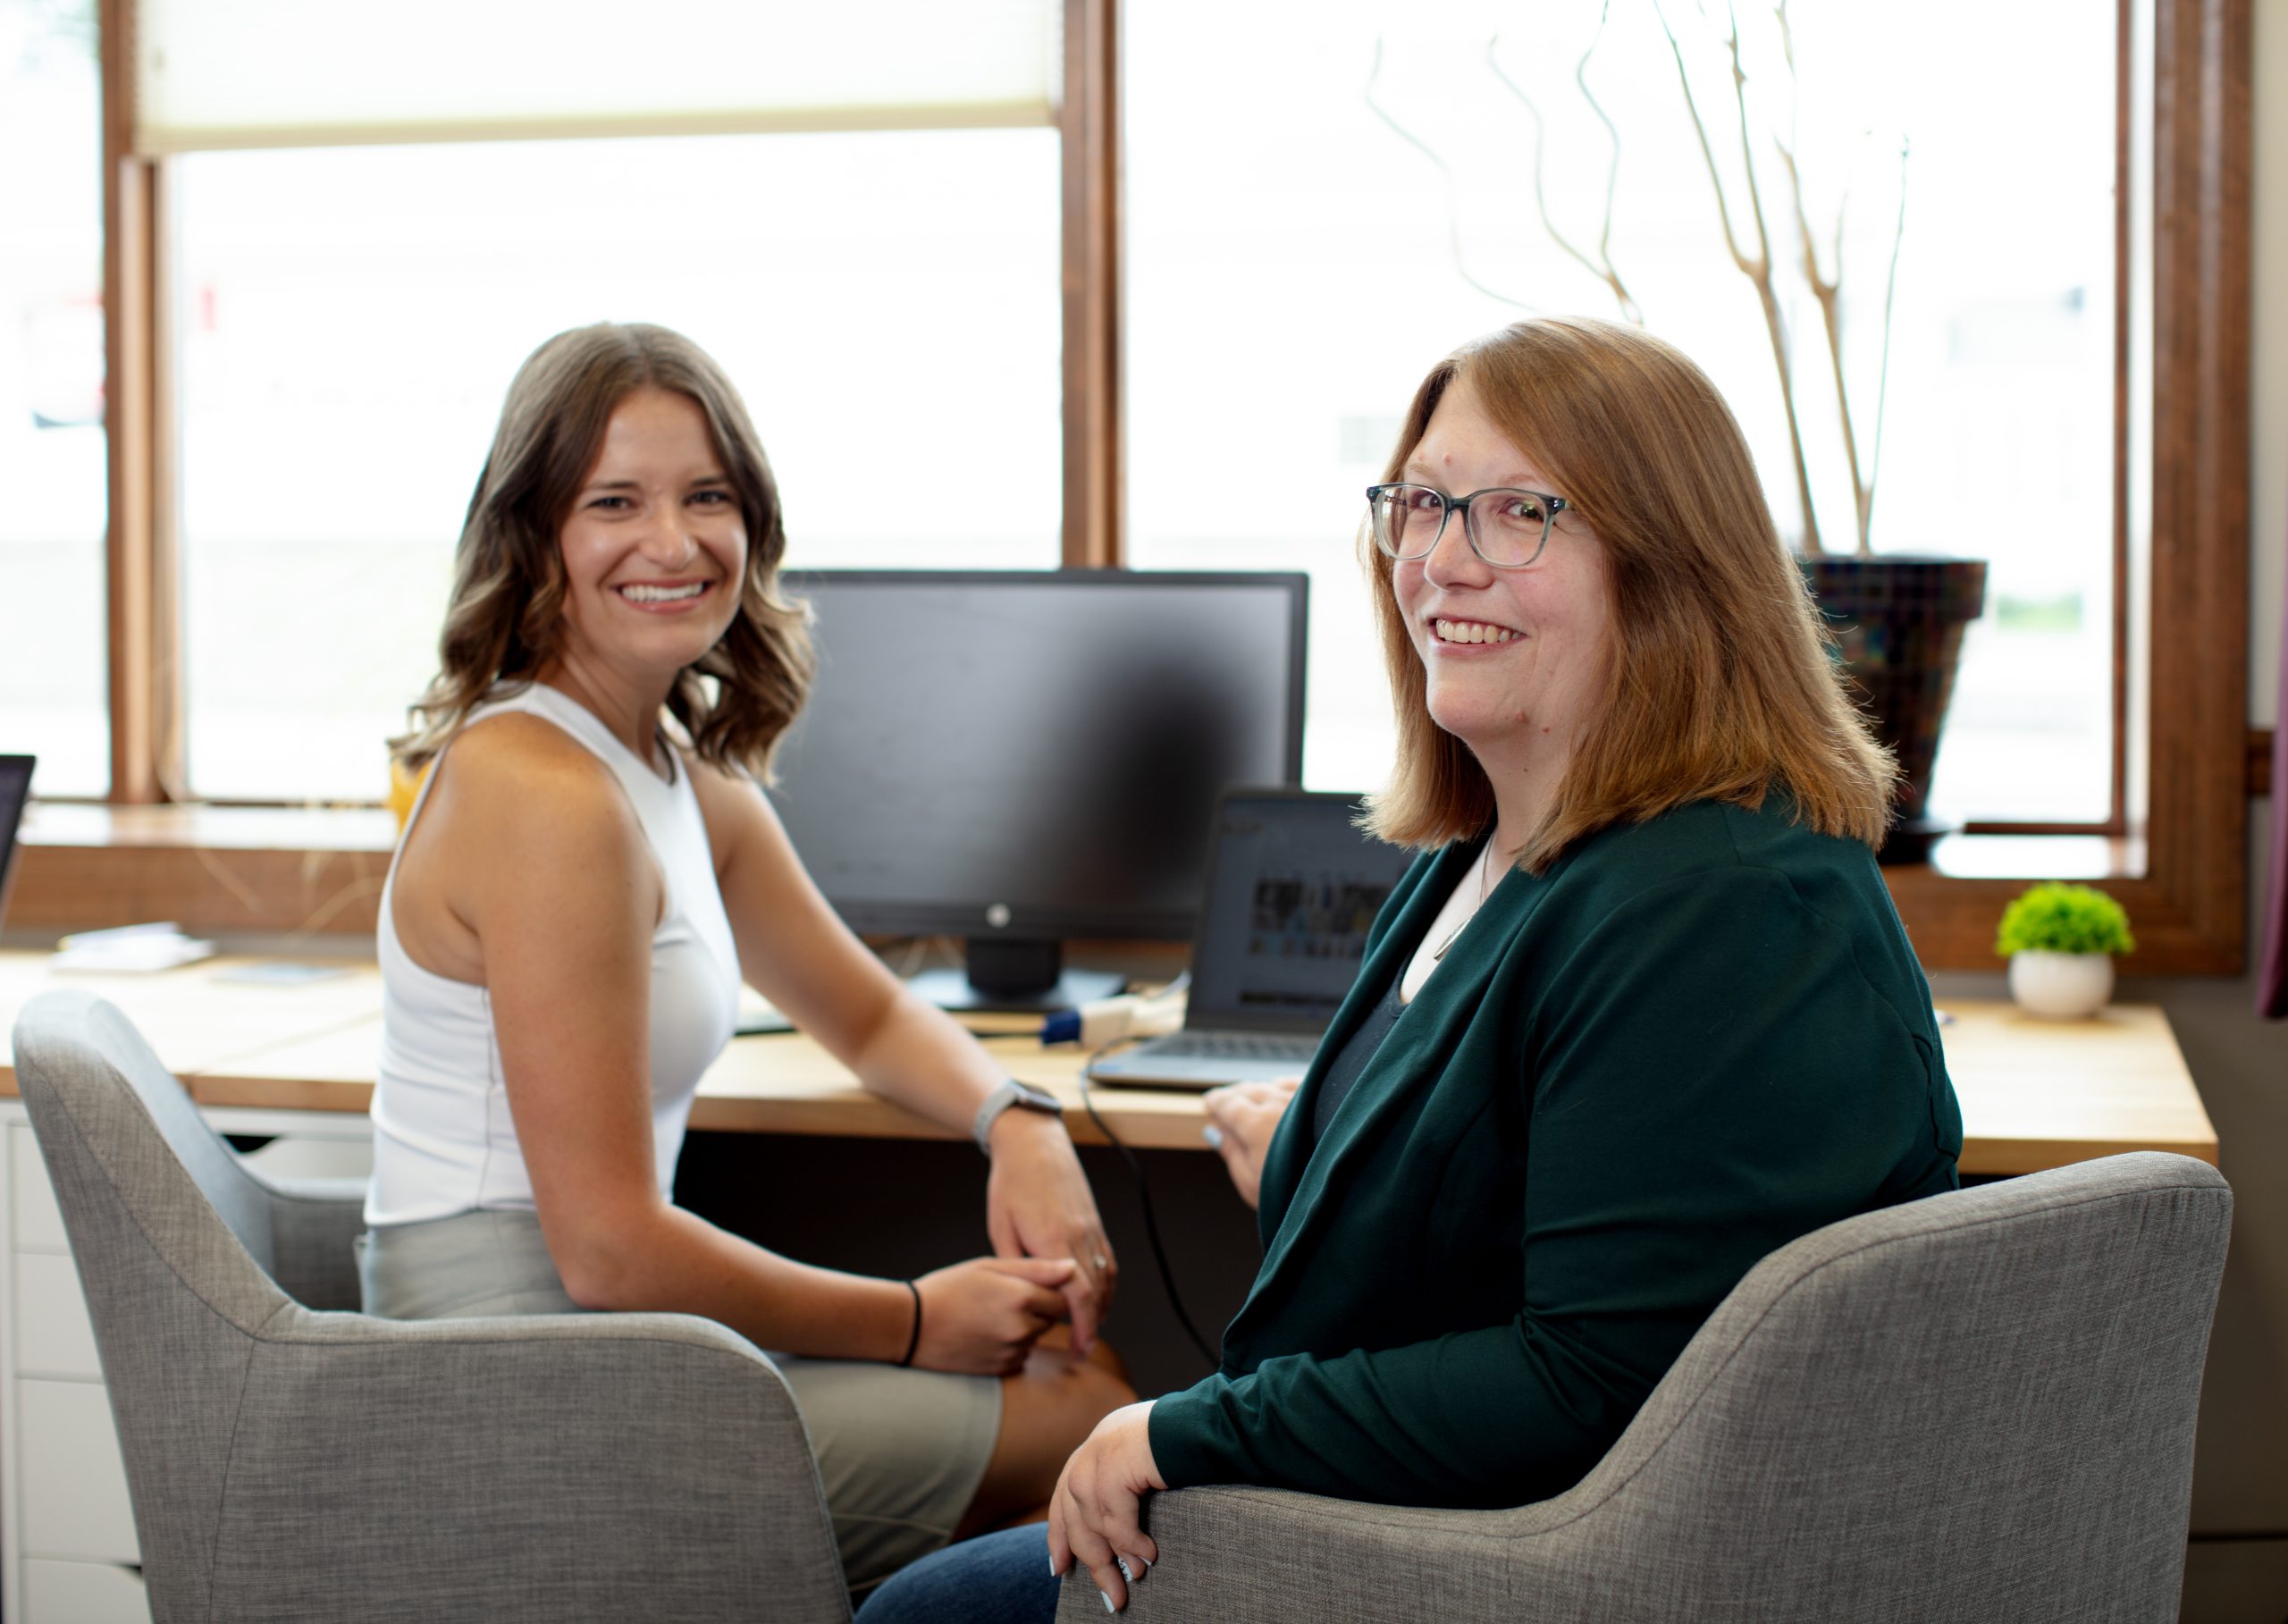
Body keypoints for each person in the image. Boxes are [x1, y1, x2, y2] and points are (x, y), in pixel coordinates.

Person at [854, 316, 1964, 1620]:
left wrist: (1178, 1430)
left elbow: (1592, 1381)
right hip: (1428, 1521)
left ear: (1669, 566)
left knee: (916, 1613)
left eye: (1517, 513)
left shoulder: (1717, 902)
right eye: (1424, 504)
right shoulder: (1490, 855)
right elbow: (1522, 1187)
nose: (1441, 560)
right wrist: (1338, 1163)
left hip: (1515, 1572)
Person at [359, 322, 1134, 1597]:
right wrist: (917, 1320)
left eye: (706, 495)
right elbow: (607, 1248)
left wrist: (1020, 1115)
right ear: (533, 532)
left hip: (607, 1336)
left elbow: (873, 1019)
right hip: (517, 1374)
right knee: (1089, 1430)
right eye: (616, 501)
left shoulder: (669, 769)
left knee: (1081, 1391)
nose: (673, 542)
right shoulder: (545, 794)